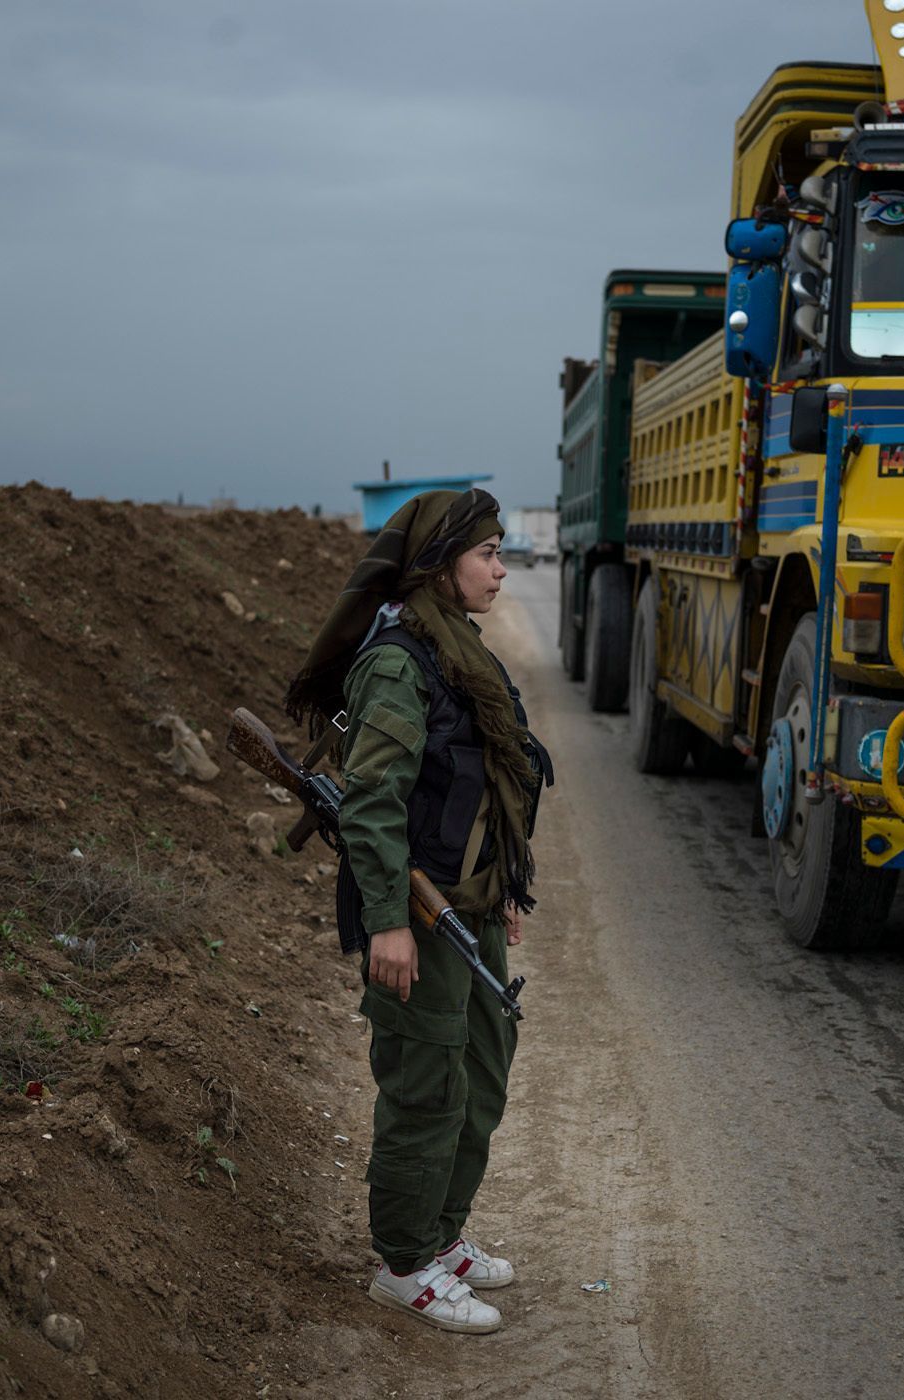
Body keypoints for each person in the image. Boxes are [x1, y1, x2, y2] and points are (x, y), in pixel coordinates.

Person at [285, 488, 553, 1335]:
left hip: (466, 910)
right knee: (425, 1089)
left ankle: (441, 1236)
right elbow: (372, 807)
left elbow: (482, 785)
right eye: (487, 554)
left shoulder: (456, 650)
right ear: (440, 566)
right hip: (418, 915)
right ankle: (403, 1265)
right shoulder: (399, 665)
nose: (500, 569)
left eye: (500, 552)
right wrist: (388, 923)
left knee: (480, 1071)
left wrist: (500, 887)